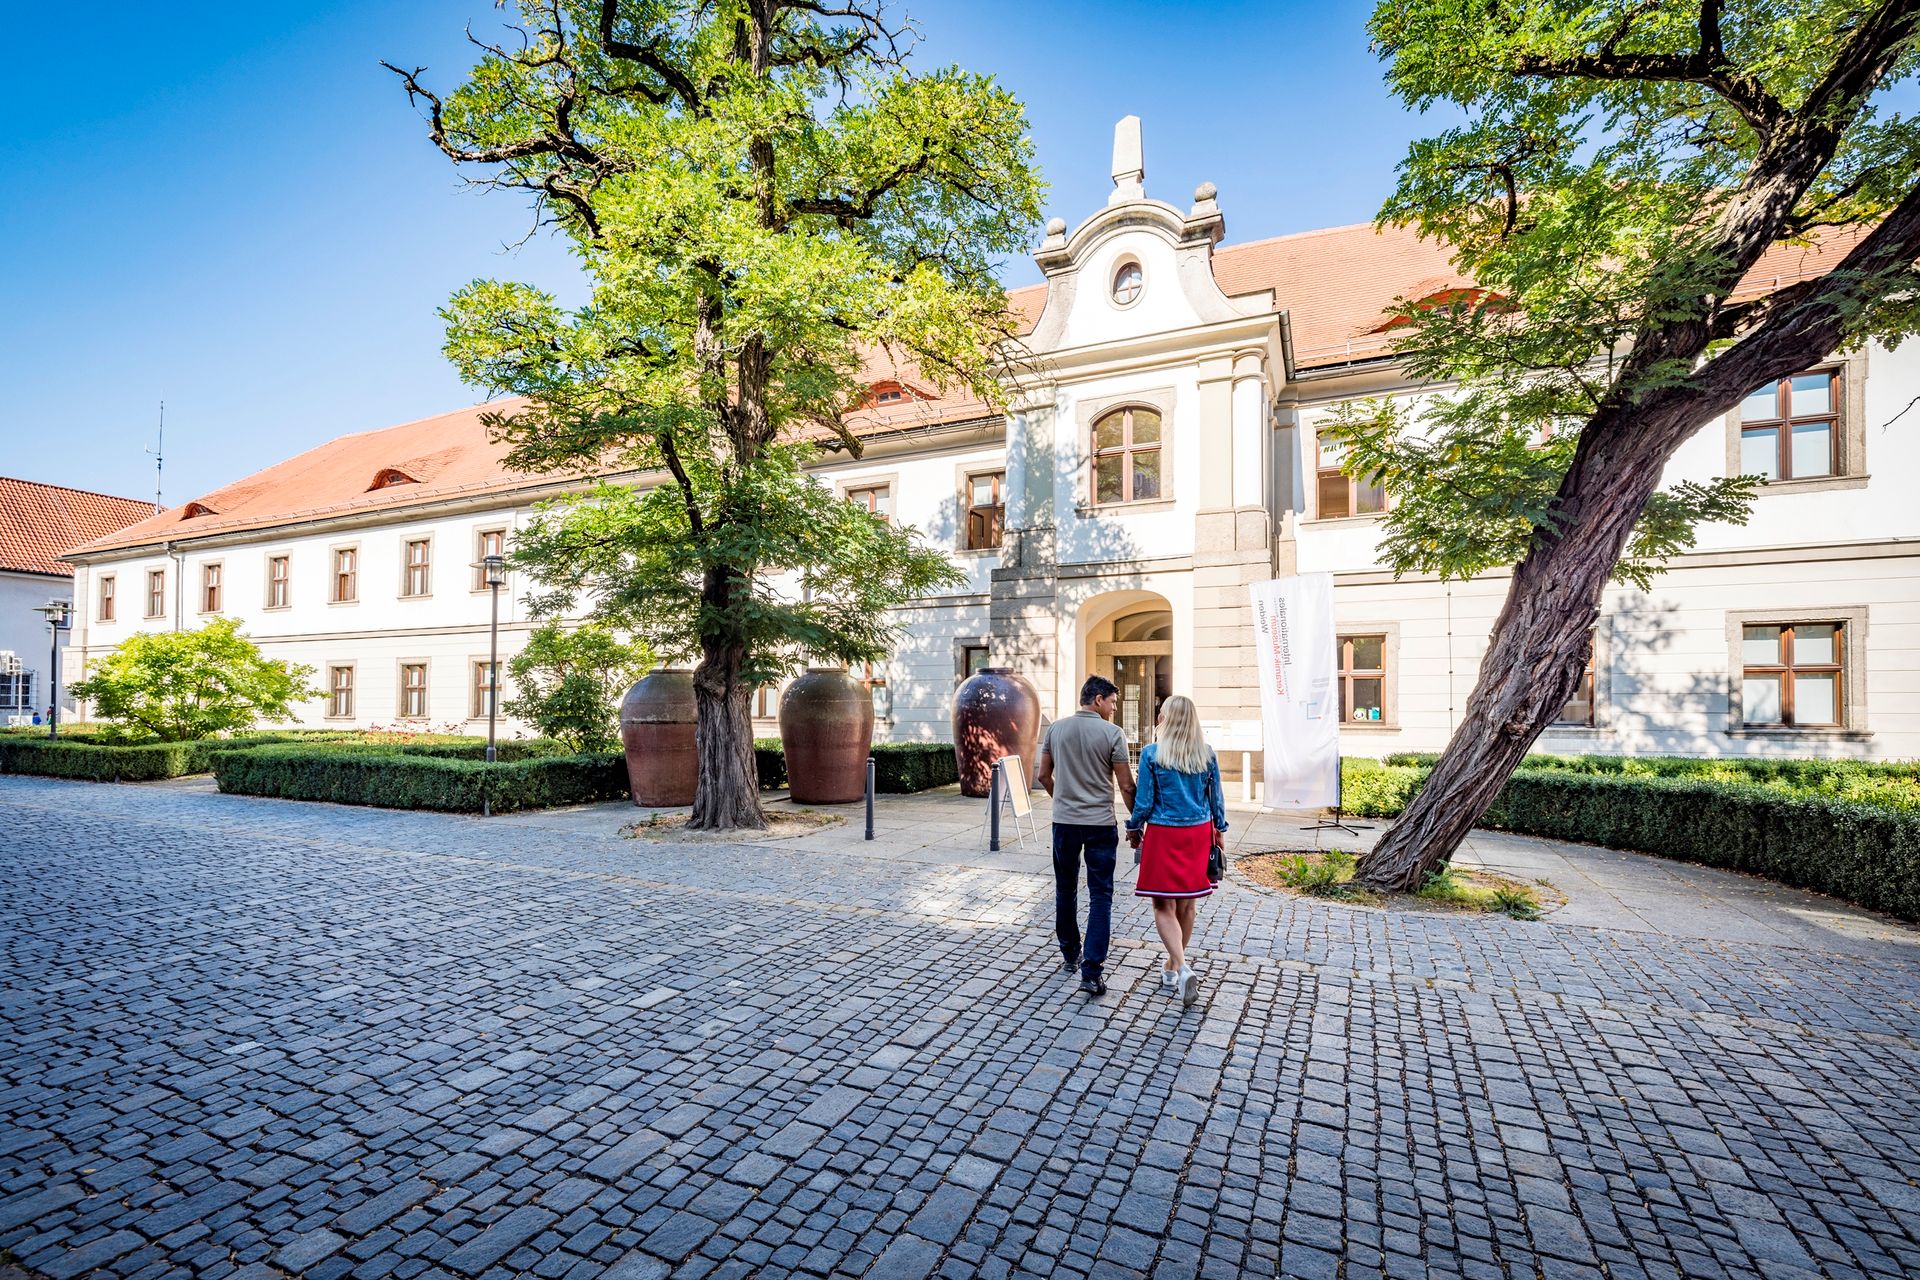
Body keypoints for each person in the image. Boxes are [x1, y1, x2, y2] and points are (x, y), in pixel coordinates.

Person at [1036, 675, 1136, 998]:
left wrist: (1062, 800)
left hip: (1063, 822)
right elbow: (1126, 785)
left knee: (1065, 889)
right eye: (1112, 703)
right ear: (1097, 700)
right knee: (1101, 895)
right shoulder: (1112, 734)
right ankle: (1091, 972)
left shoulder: (1056, 729)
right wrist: (1137, 819)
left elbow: (1042, 775)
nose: (1114, 709)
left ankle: (1069, 954)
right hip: (1099, 824)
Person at [1125, 695, 1225, 1008]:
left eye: (1161, 713)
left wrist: (1133, 827)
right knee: (1188, 905)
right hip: (1197, 833)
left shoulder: (1153, 754)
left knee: (1161, 905)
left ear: (1166, 719)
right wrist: (1219, 832)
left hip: (1164, 834)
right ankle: (1172, 966)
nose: (1158, 717)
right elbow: (1216, 800)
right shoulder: (1206, 754)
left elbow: (1144, 801)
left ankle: (1181, 968)